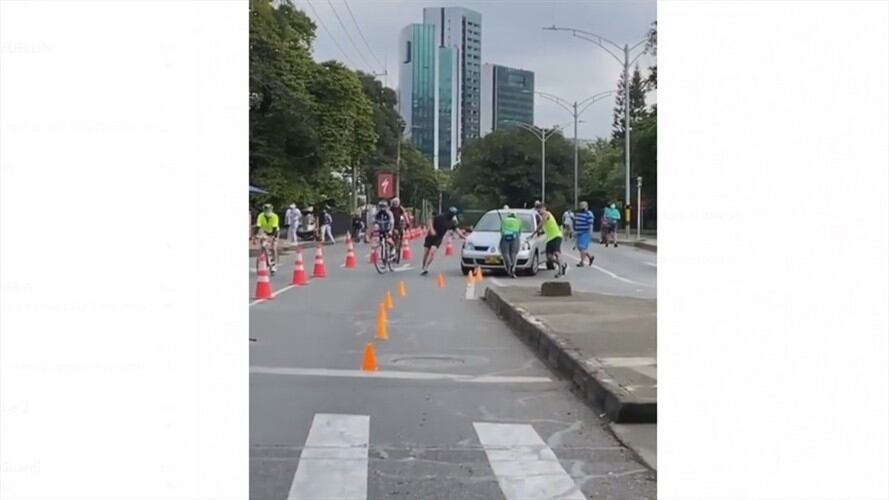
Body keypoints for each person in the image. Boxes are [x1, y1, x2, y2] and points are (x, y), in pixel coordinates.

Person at [421, 207, 467, 276]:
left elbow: (457, 230)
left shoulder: (451, 222)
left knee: (432, 252)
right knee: (426, 253)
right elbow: (430, 220)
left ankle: (426, 267)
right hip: (430, 236)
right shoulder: (441, 217)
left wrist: (464, 237)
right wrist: (432, 229)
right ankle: (423, 266)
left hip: (438, 238)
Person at [534, 203, 568, 278]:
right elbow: (545, 227)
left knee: (557, 253)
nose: (539, 211)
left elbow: (541, 223)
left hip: (556, 236)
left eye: (540, 209)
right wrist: (540, 232)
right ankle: (562, 264)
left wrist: (535, 232)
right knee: (549, 257)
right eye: (538, 209)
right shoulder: (543, 216)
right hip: (549, 238)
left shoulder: (546, 214)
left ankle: (560, 271)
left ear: (544, 208)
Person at [253, 203, 280, 274]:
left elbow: (274, 228)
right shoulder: (261, 216)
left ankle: (274, 265)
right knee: (262, 247)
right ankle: (259, 266)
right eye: (266, 209)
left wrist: (272, 238)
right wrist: (254, 236)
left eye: (269, 209)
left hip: (274, 232)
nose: (267, 211)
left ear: (271, 209)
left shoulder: (275, 216)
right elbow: (258, 226)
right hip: (265, 232)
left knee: (273, 248)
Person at [499, 211, 522, 278]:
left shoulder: (504, 220)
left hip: (505, 237)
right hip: (515, 237)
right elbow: (520, 231)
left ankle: (509, 264)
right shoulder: (518, 221)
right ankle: (513, 268)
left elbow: (501, 229)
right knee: (513, 253)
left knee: (505, 253)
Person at [573, 201, 595, 266]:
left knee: (582, 247)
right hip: (579, 233)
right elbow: (576, 222)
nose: (582, 207)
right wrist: (575, 231)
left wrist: (590, 233)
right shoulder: (578, 213)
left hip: (585, 232)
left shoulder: (589, 214)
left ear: (587, 207)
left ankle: (582, 262)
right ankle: (590, 257)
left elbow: (590, 224)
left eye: (583, 206)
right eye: (581, 205)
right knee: (580, 248)